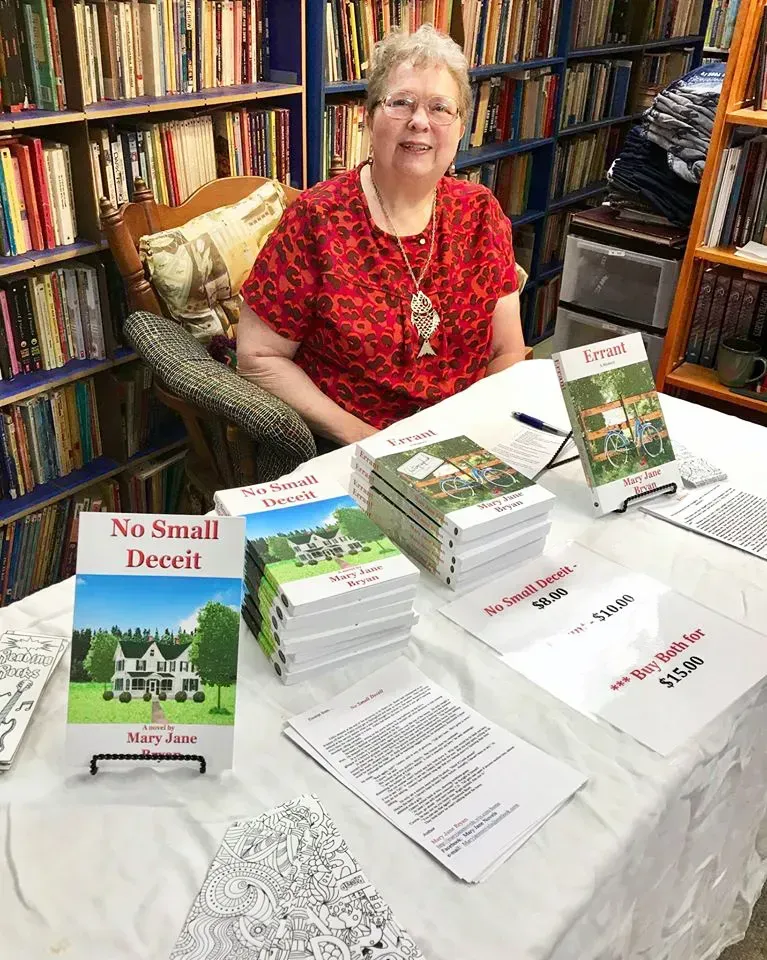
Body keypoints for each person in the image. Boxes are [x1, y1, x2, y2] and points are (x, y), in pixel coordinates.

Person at [237, 23, 525, 448]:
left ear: (461, 126)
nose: (420, 122)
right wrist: (364, 439)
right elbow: (258, 358)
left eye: (441, 108)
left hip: (466, 443)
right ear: (368, 118)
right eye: (401, 103)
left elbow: (507, 352)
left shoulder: (481, 213)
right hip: (351, 447)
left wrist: (479, 436)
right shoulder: (318, 219)